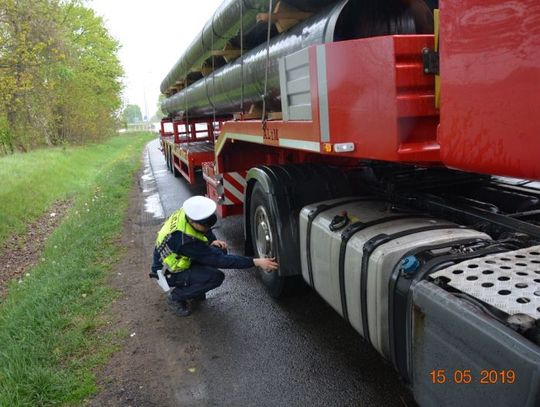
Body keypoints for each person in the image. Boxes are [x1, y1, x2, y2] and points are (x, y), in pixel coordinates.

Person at [151, 195, 278, 316]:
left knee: (219, 249)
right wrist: (257, 262)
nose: (208, 228)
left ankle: (195, 289)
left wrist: (212, 240)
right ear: (192, 221)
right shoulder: (185, 241)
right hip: (167, 272)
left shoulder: (188, 212)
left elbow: (206, 229)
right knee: (215, 277)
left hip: (179, 258)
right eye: (205, 225)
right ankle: (176, 297)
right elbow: (220, 261)